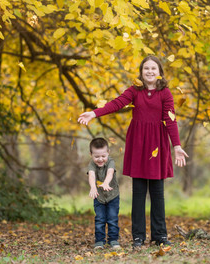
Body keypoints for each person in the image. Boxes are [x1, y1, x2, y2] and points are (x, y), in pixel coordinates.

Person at [78, 55, 188, 249]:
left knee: (157, 193)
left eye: (154, 68)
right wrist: (94, 113)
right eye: (146, 68)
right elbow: (116, 103)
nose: (150, 72)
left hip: (157, 145)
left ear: (160, 72)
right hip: (138, 144)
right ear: (141, 72)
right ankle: (138, 237)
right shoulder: (134, 91)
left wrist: (177, 146)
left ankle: (160, 235)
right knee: (138, 193)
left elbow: (170, 120)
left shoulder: (165, 93)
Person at [87, 137, 120, 250]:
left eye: (103, 156)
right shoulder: (91, 164)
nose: (100, 159)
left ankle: (113, 240)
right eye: (96, 156)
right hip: (99, 196)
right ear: (91, 154)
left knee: (112, 218)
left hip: (113, 196)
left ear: (108, 153)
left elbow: (110, 173)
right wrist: (93, 187)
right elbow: (91, 175)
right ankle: (99, 241)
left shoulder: (110, 161)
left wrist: (106, 183)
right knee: (100, 219)